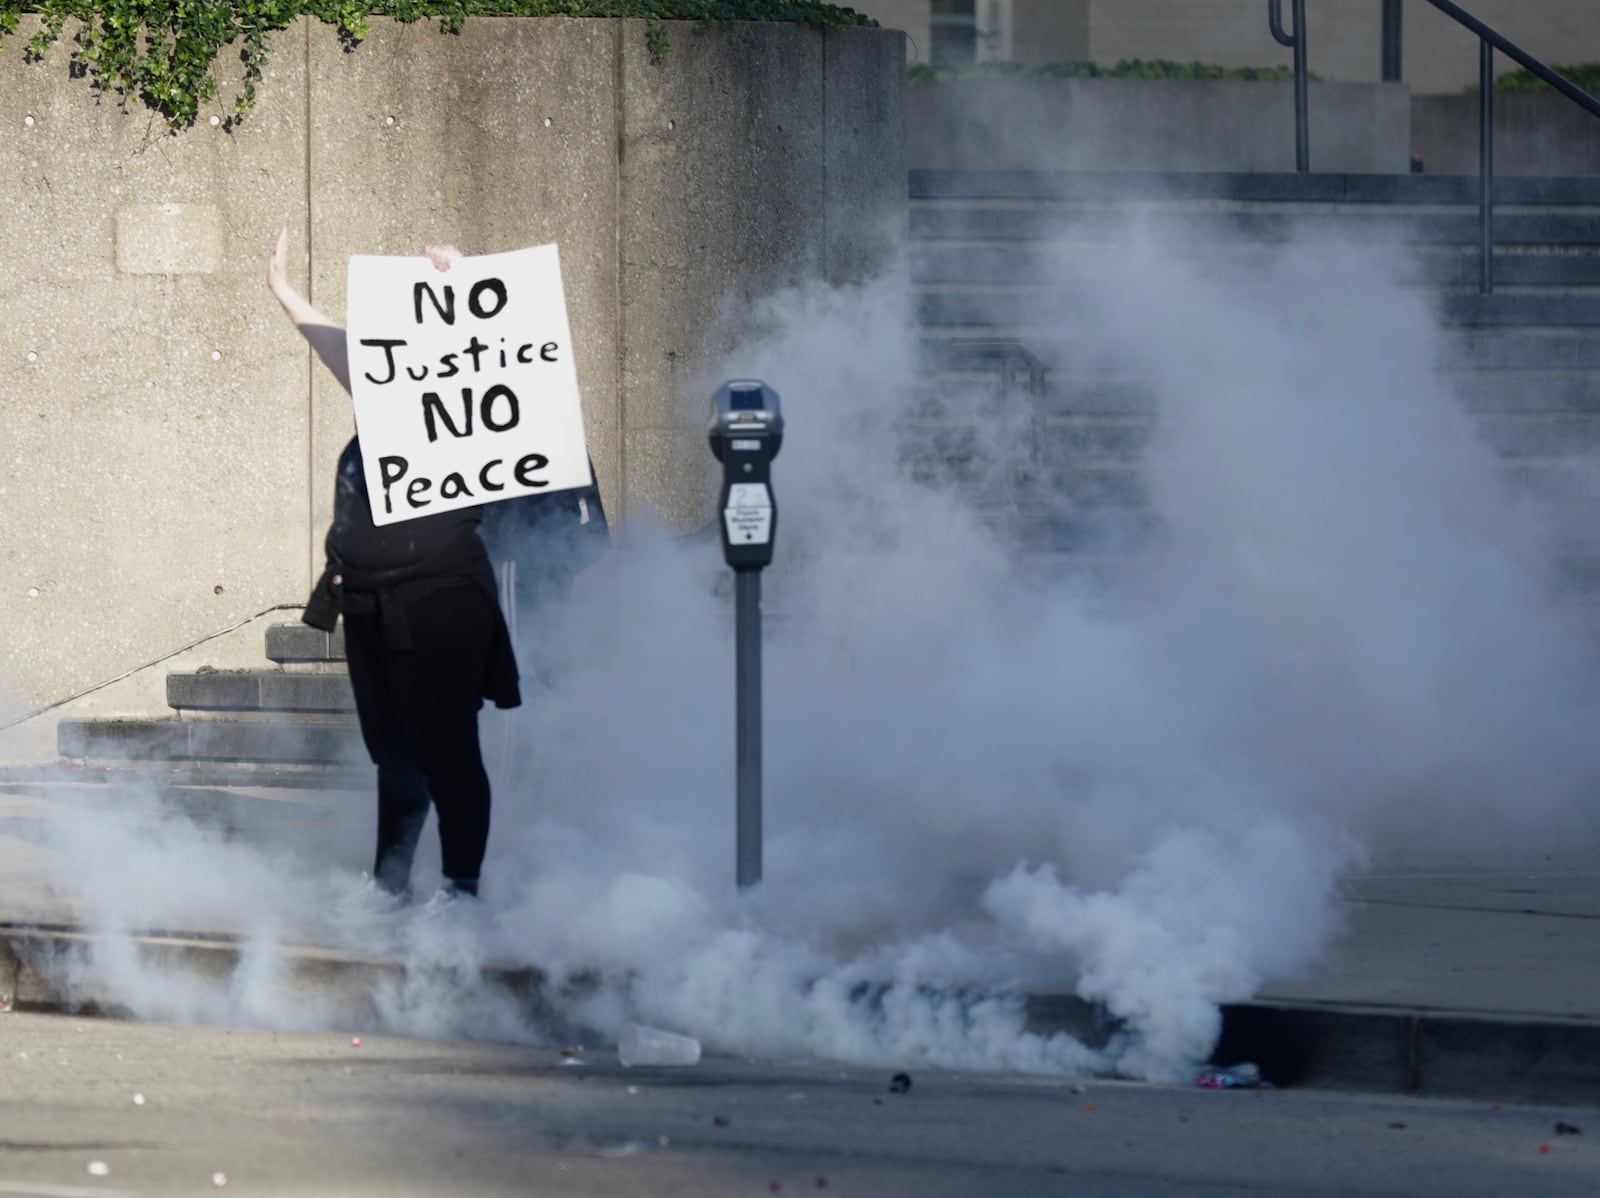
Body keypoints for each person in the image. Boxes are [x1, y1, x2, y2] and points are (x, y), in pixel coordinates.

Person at [267, 222, 520, 918]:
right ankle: (389, 884)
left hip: (441, 604)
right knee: (398, 753)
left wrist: (458, 280)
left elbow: (487, 350)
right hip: (373, 606)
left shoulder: (463, 408)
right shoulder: (380, 400)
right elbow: (332, 342)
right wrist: (284, 291)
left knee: (447, 750)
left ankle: (462, 890)